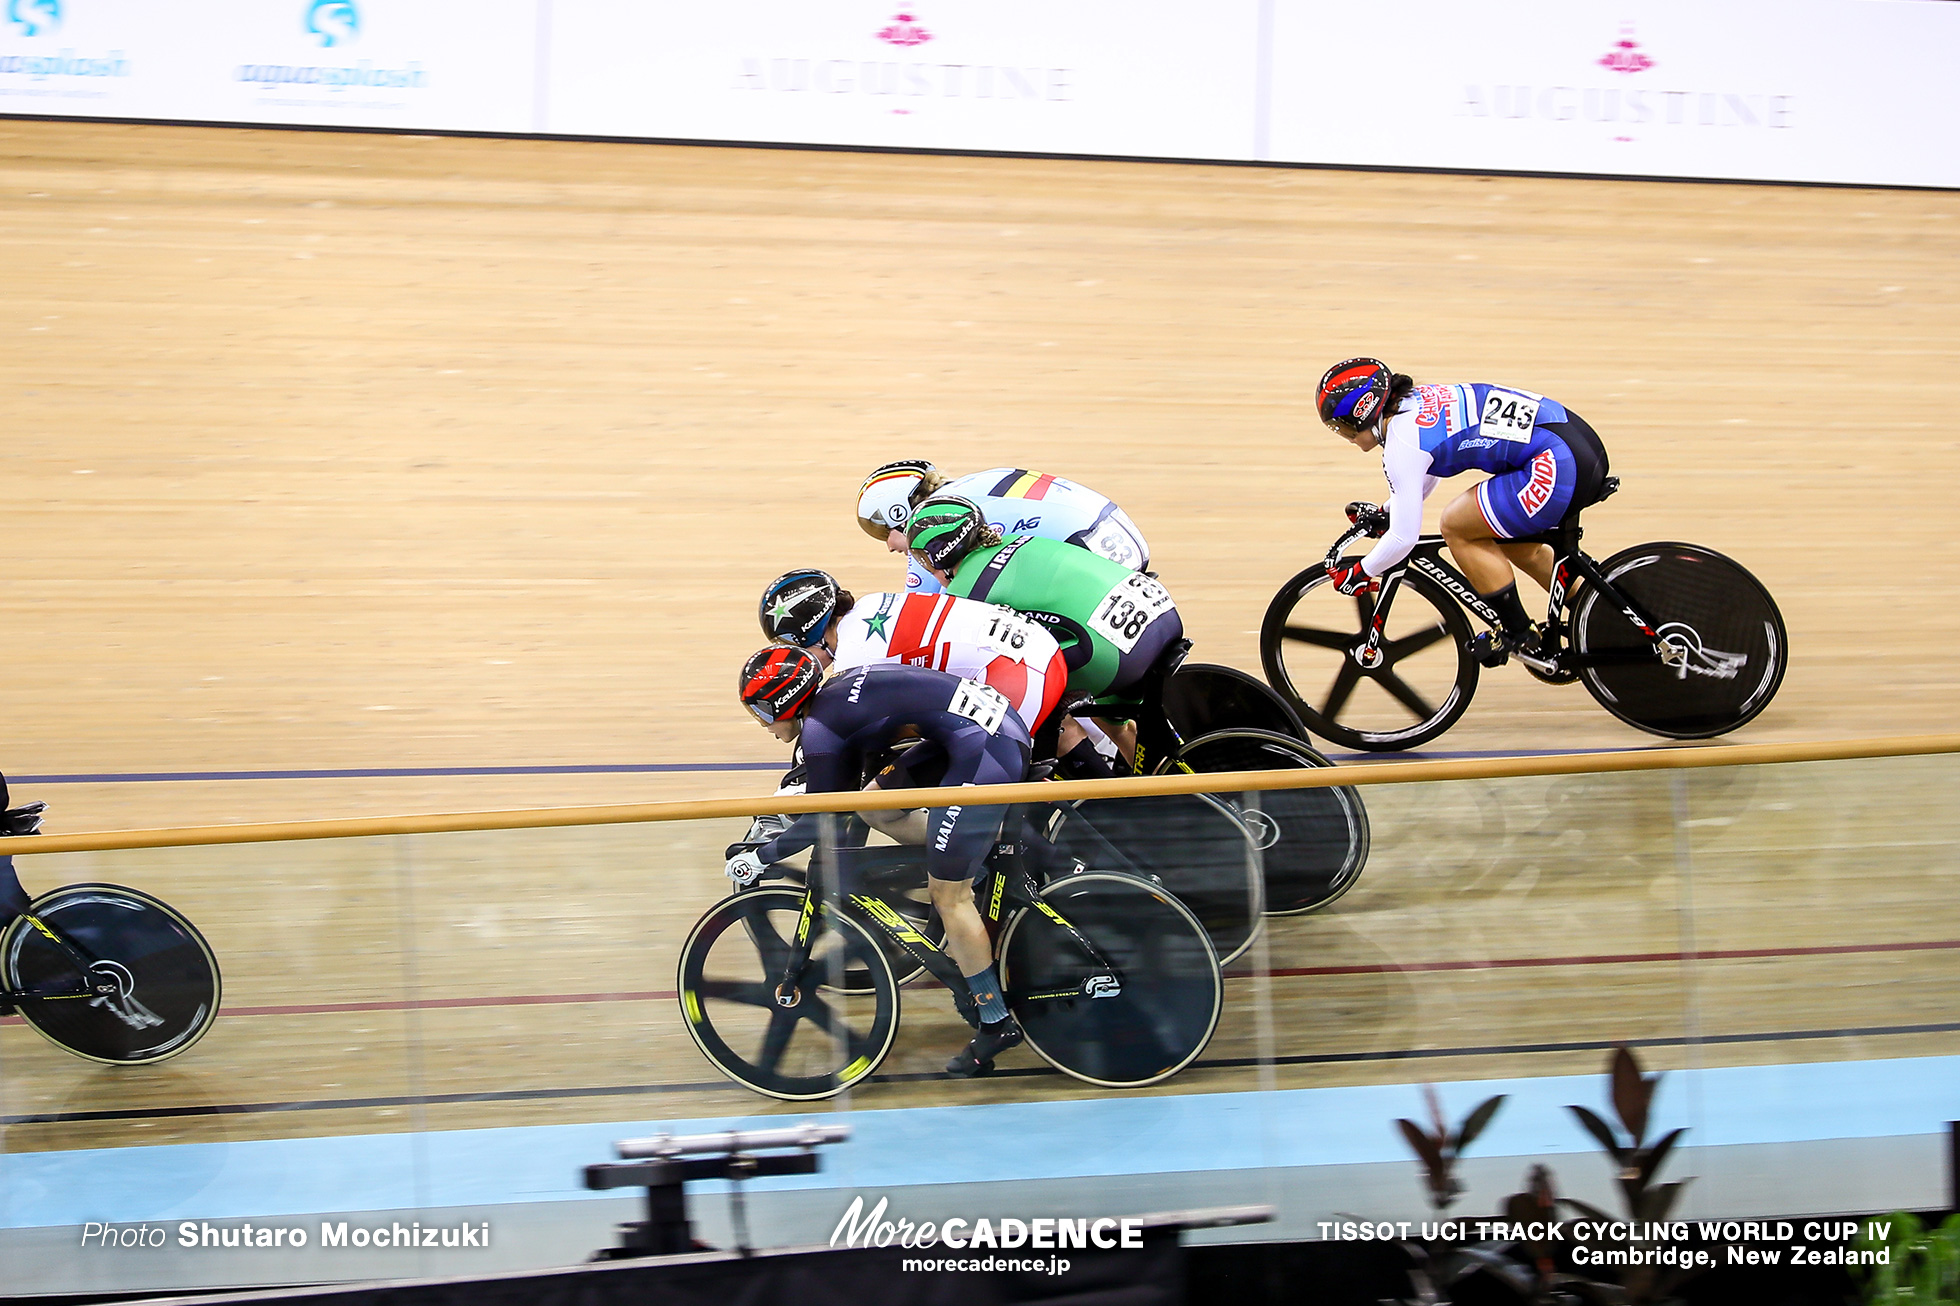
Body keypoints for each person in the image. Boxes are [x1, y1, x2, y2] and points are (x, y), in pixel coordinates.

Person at [730, 646, 1032, 1077]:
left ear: (784, 700)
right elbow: (843, 799)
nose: (761, 723)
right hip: (984, 730)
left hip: (985, 747)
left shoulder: (819, 730)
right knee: (876, 805)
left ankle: (994, 1021)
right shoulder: (831, 701)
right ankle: (971, 858)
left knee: (947, 896)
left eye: (761, 711)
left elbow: (823, 821)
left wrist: (761, 857)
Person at [1314, 357, 1611, 665]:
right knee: (1518, 544)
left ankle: (1517, 632)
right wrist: (1389, 510)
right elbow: (1425, 471)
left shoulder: (1401, 444)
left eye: (1344, 428)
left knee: (1457, 526)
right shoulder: (1414, 403)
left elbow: (1404, 539)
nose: (1347, 438)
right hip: (1574, 447)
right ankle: (1600, 613)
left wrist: (1362, 571)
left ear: (1364, 413)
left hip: (1554, 463)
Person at [903, 496, 1185, 769]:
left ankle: (1100, 798)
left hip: (1116, 655)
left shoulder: (964, 591)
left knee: (1029, 701)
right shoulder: (1023, 540)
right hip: (1160, 613)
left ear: (937, 554)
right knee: (1116, 722)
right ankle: (1161, 780)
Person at [755, 568, 1112, 778]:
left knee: (968, 779)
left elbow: (850, 733)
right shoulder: (867, 608)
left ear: (804, 634)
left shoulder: (853, 656)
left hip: (1015, 672)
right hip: (1037, 653)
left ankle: (1025, 858)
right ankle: (1114, 803)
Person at [855, 460, 1150, 596]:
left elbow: (918, 616)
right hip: (1120, 534)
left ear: (901, 511)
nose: (889, 546)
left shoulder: (931, 528)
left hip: (1087, 552)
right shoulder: (973, 482)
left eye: (882, 532)